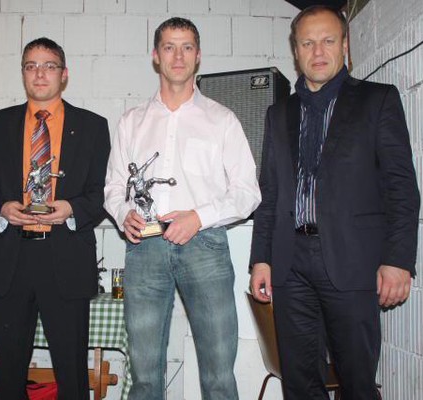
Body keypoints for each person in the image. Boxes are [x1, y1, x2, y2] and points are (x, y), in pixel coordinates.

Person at [249, 6, 419, 399]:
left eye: (328, 40)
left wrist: (398, 260)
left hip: (353, 260)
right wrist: (261, 259)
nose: (318, 51)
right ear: (296, 51)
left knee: (357, 382)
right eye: (307, 43)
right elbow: (269, 192)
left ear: (345, 44)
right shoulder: (279, 113)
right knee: (299, 383)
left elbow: (401, 187)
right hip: (290, 263)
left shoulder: (377, 100)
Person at [104, 17, 260, 400]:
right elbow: (113, 188)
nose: (178, 56)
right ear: (155, 56)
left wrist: (199, 217)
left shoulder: (222, 120)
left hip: (204, 245)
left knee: (218, 374)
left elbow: (248, 192)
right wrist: (124, 215)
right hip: (144, 248)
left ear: (198, 55)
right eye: (169, 47)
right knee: (144, 375)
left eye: (187, 47)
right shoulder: (131, 122)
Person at [0, 37, 110, 400]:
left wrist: (72, 209)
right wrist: (2, 209)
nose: (39, 73)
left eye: (49, 65)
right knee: (7, 376)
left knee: (72, 377)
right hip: (10, 259)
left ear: (64, 74)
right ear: (23, 73)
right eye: (31, 66)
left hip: (66, 257)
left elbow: (103, 191)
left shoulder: (93, 126)